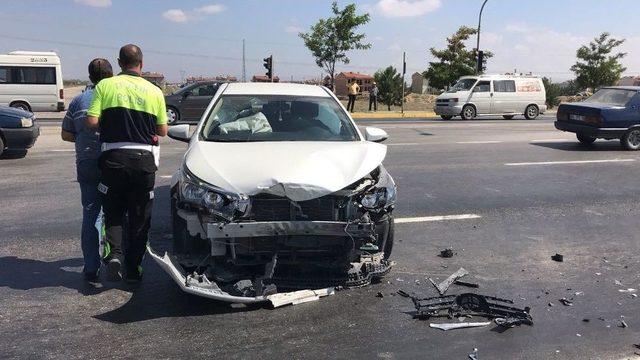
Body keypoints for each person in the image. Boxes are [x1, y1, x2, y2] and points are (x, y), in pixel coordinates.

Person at [85, 44, 168, 283]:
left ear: (119, 63)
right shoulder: (154, 91)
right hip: (144, 161)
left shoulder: (105, 85)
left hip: (113, 159)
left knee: (113, 212)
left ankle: (115, 256)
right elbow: (162, 130)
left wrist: (111, 123)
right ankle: (134, 268)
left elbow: (91, 122)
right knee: (140, 216)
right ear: (141, 63)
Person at [61, 58, 113, 281]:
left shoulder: (78, 101)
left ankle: (91, 267)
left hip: (87, 163)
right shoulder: (114, 98)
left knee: (90, 214)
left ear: (90, 77)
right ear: (111, 75)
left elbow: (66, 134)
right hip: (114, 163)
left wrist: (85, 136)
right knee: (118, 213)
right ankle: (118, 259)